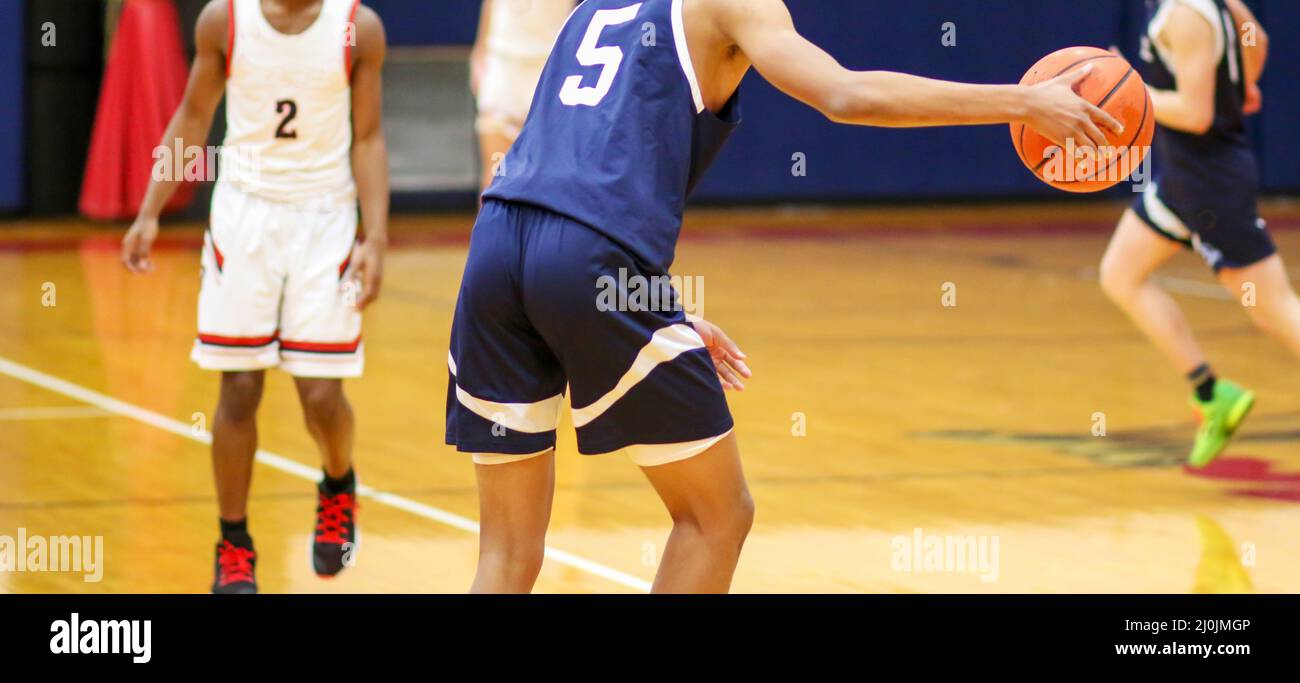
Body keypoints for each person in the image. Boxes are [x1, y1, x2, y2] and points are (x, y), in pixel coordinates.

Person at [445, 0, 1121, 593]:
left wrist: (646, 301)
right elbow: (846, 95)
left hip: (496, 251)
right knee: (717, 515)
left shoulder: (590, 10)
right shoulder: (734, 5)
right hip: (592, 258)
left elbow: (566, 175)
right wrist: (1024, 102)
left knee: (505, 554)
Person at [120, 0, 390, 594]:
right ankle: (234, 544)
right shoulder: (224, 20)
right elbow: (193, 117)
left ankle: (338, 483)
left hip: (326, 216)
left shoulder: (357, 27)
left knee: (320, 394)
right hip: (245, 213)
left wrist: (376, 237)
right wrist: (149, 211)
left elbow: (368, 138)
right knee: (239, 386)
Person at [1099, 0, 1278, 467]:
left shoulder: (1185, 13)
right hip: (1182, 181)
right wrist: (1245, 80)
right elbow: (1257, 38)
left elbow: (1196, 114)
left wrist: (1127, 92)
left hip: (1210, 185)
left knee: (1275, 312)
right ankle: (1210, 392)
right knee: (1121, 274)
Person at [470, 0, 576, 192]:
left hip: (549, 64)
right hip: (503, 61)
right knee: (494, 180)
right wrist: (480, 49)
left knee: (548, 184)